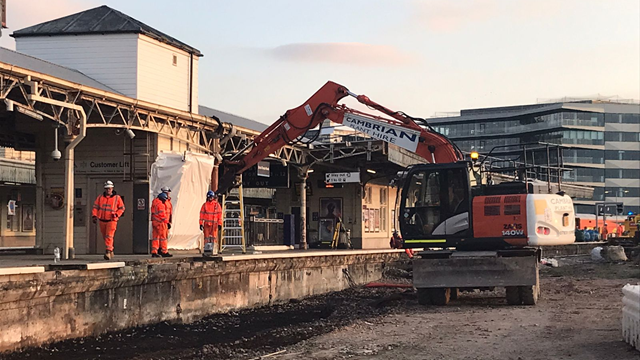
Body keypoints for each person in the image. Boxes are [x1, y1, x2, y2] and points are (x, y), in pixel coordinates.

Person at [92, 181, 125, 260]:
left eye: (109, 189)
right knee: (105, 236)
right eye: (107, 189)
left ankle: (108, 251)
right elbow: (95, 207)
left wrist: (117, 214)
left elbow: (122, 208)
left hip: (112, 220)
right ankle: (111, 250)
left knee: (109, 236)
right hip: (102, 220)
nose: (108, 190)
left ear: (112, 189)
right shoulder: (100, 198)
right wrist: (94, 216)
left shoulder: (117, 198)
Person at [199, 190, 222, 256]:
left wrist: (220, 224)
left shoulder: (217, 205)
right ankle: (207, 250)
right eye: (209, 197)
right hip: (207, 224)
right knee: (206, 238)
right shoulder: (205, 205)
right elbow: (201, 215)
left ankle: (214, 250)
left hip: (214, 225)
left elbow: (219, 215)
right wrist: (201, 223)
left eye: (211, 197)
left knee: (213, 238)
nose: (210, 199)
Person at [150, 192, 173, 258]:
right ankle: (164, 251)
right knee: (163, 238)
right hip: (161, 223)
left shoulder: (154, 203)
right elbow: (162, 215)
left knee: (155, 237)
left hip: (154, 222)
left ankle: (154, 251)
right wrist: (167, 222)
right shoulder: (161, 205)